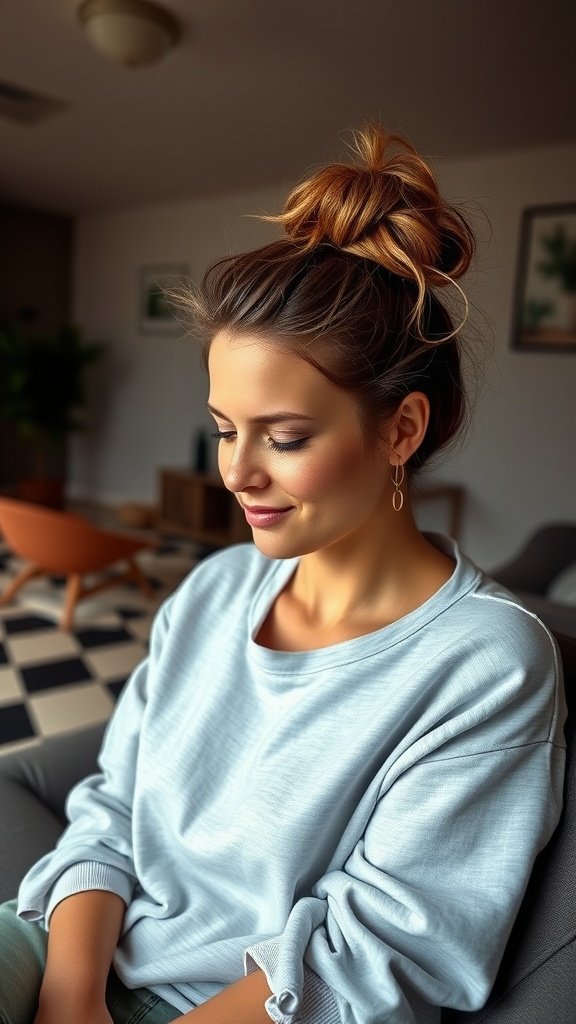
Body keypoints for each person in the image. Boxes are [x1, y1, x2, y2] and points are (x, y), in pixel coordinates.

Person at [1, 126, 566, 1024]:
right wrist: (69, 1000)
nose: (237, 471)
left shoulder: (486, 664)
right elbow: (112, 807)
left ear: (401, 431)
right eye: (226, 428)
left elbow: (383, 960)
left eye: (286, 437)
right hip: (71, 951)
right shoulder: (216, 589)